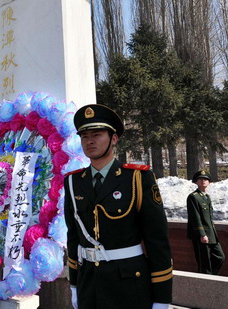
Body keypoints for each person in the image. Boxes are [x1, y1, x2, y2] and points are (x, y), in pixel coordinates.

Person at [64, 104, 173, 309]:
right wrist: (75, 285)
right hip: (89, 284)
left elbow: (157, 241)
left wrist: (161, 298)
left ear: (114, 139)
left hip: (128, 285)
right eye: (85, 136)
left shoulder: (138, 178)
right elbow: (73, 239)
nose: (90, 141)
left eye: (97, 134)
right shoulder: (73, 182)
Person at [187, 170, 225, 275]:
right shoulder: (193, 197)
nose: (203, 181)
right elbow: (195, 217)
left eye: (205, 179)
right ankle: (206, 283)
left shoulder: (206, 197)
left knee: (220, 257)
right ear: (196, 182)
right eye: (200, 179)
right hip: (202, 235)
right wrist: (202, 234)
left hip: (211, 234)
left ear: (209, 182)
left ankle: (211, 277)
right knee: (205, 262)